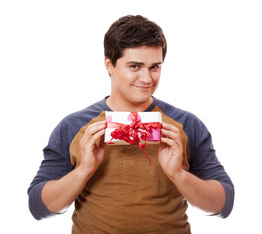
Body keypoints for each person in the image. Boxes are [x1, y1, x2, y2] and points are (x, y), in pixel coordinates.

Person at [28, 15, 234, 234]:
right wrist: (84, 170)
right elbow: (39, 208)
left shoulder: (186, 124)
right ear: (109, 64)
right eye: (135, 66)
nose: (146, 79)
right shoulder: (73, 126)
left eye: (155, 67)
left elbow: (223, 206)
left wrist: (178, 174)